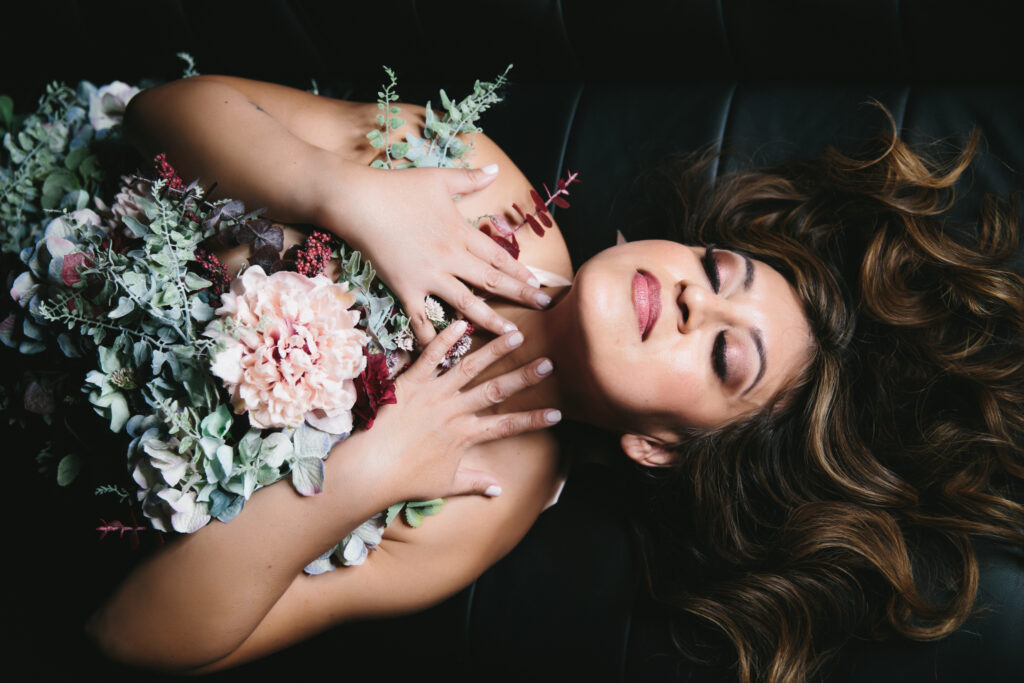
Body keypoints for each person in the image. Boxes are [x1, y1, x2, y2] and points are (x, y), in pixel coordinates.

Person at [86, 76, 1024, 682]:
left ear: (658, 447)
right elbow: (157, 112)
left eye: (723, 356)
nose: (693, 299)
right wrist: (347, 194)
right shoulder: (484, 186)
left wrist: (362, 477)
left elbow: (131, 636)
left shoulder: (481, 505)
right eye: (715, 269)